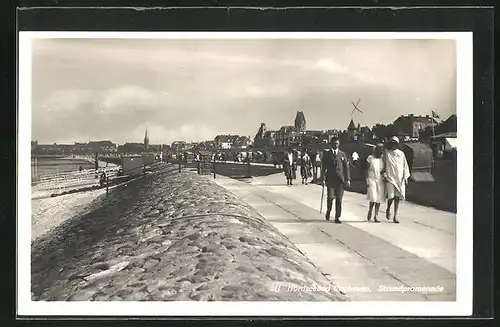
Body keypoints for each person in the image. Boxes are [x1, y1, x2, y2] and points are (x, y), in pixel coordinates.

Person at [321, 136, 351, 223]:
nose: (335, 145)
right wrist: (323, 179)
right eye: (334, 144)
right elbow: (323, 167)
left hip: (340, 180)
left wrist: (348, 179)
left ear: (339, 144)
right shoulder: (327, 154)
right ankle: (328, 211)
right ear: (331, 144)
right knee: (330, 198)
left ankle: (337, 217)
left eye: (337, 144)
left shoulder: (342, 154)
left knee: (339, 199)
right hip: (330, 179)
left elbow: (346, 167)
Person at [382, 136, 410, 224]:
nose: (393, 145)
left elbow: (405, 166)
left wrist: (405, 176)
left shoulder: (401, 154)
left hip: (399, 178)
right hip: (390, 178)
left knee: (397, 197)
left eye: (395, 143)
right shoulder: (387, 154)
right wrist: (385, 175)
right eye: (392, 143)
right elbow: (383, 166)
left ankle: (395, 216)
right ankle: (388, 208)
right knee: (391, 196)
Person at [365, 144, 385, 223]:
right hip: (372, 179)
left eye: (381, 151)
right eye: (378, 151)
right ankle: (370, 210)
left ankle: (376, 215)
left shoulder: (382, 159)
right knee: (373, 197)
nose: (380, 153)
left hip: (380, 180)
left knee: (379, 198)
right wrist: (367, 180)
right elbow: (366, 170)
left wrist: (384, 175)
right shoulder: (370, 158)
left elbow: (383, 170)